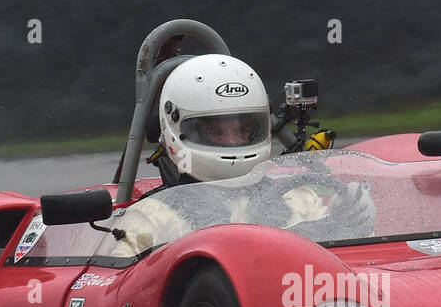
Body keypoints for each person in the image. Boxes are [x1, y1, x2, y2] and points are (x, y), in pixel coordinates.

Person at [107, 54, 375, 257]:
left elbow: (347, 270)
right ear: (176, 127)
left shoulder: (301, 201)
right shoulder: (151, 218)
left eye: (244, 129)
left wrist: (354, 221)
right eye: (216, 130)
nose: (233, 140)